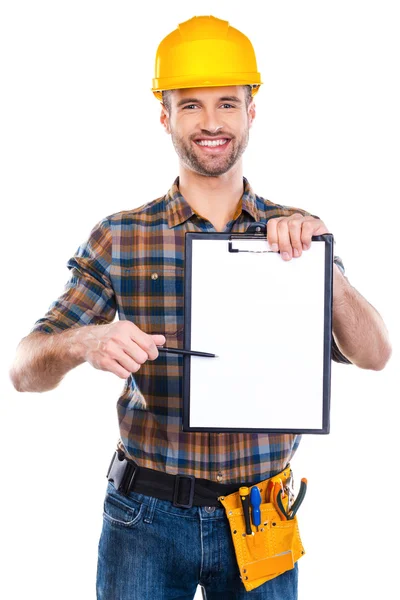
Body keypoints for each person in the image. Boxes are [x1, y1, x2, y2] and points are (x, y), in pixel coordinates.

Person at [9, 14, 391, 600]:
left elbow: (375, 355)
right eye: (190, 106)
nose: (211, 123)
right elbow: (23, 369)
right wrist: (85, 341)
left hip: (263, 517)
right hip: (145, 517)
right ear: (164, 115)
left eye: (226, 104)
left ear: (251, 112)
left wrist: (326, 269)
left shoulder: (294, 233)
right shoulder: (121, 236)